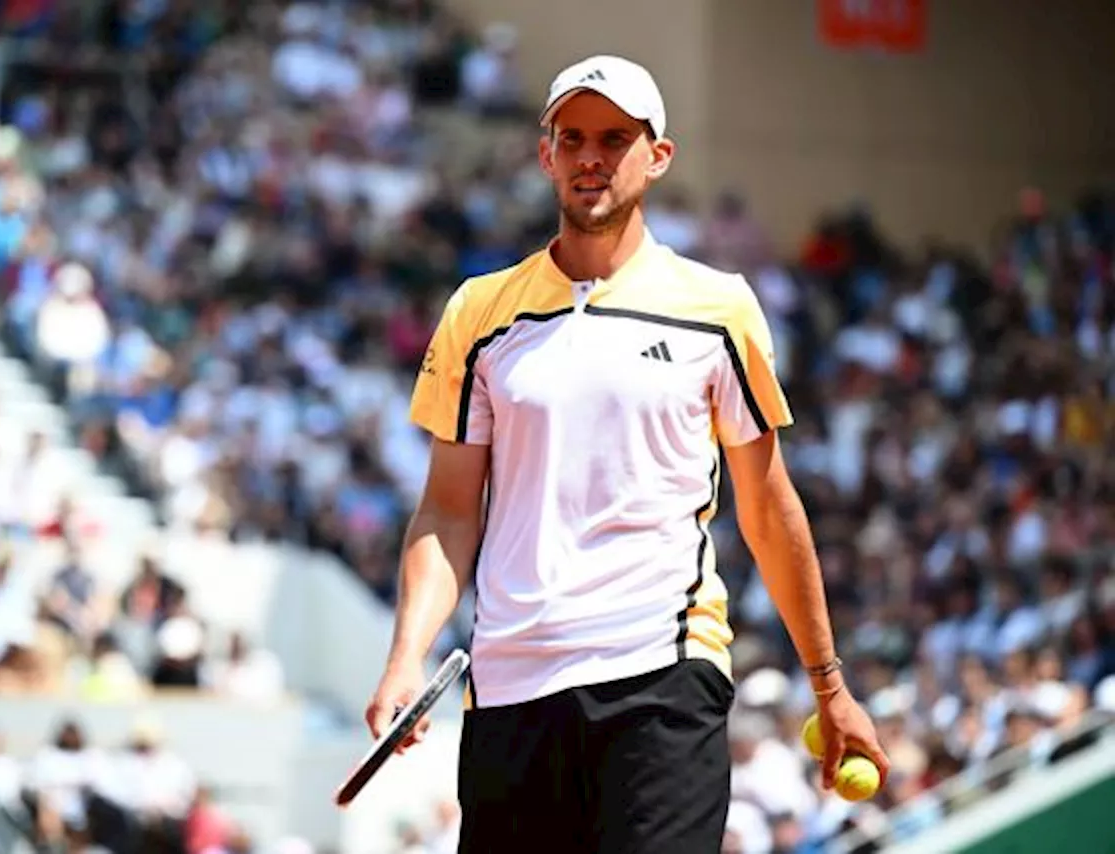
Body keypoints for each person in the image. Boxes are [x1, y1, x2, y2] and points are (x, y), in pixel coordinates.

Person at [364, 54, 891, 853]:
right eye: (571, 138)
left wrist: (830, 683)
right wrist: (406, 660)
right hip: (511, 689)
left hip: (662, 674)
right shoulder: (479, 311)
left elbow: (767, 505)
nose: (591, 157)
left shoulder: (719, 308)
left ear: (659, 156)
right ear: (545, 154)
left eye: (615, 137)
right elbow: (446, 510)